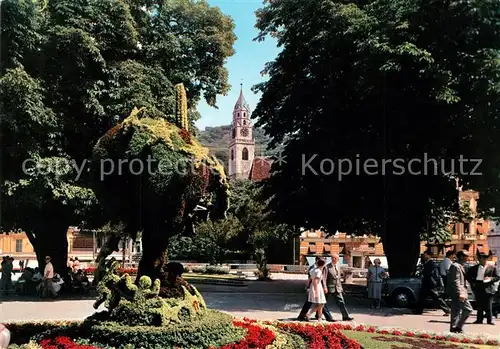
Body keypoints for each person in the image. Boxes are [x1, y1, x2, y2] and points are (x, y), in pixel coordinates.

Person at [466, 250, 499, 325]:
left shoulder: (492, 267)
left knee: (488, 305)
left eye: (485, 258)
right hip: (478, 285)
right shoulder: (474, 268)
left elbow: (497, 277)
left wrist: (490, 279)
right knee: (479, 304)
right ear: (479, 259)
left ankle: (489, 320)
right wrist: (473, 282)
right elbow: (468, 277)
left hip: (488, 286)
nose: (484, 260)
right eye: (482, 258)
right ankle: (479, 320)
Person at [297, 257, 334, 322]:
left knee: (321, 303)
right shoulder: (318, 271)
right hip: (317, 288)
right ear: (323, 264)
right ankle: (308, 315)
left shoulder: (313, 270)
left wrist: (308, 286)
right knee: (320, 303)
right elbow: (315, 282)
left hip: (314, 287)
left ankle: (319, 317)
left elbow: (309, 279)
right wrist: (316, 292)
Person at [413, 250, 450, 315]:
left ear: (429, 255)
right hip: (427, 283)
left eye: (425, 254)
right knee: (422, 297)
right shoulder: (427, 262)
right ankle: (418, 311)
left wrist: (423, 272)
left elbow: (429, 273)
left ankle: (447, 310)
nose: (424, 256)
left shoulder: (431, 263)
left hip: (430, 284)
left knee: (436, 297)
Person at [447, 250, 473, 333]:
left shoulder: (460, 265)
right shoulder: (455, 266)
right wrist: (460, 293)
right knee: (468, 309)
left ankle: (453, 329)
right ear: (461, 256)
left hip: (458, 292)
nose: (468, 258)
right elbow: (455, 281)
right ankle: (458, 327)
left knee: (456, 310)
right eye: (467, 256)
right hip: (458, 292)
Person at [325, 253, 354, 321]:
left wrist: (341, 288)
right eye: (333, 258)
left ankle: (345, 316)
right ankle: (318, 314)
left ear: (338, 259)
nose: (334, 259)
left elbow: (338, 279)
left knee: (341, 302)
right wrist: (325, 287)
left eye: (335, 258)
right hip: (329, 288)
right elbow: (325, 278)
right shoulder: (327, 267)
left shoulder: (338, 266)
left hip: (337, 288)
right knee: (323, 302)